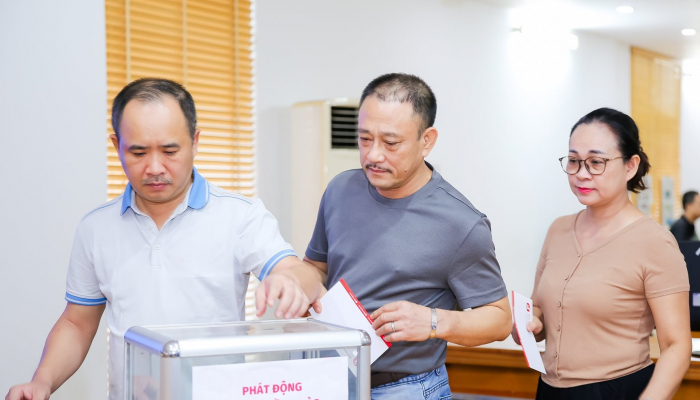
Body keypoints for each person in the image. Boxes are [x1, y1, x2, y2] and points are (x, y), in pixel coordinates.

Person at [5, 78, 323, 400]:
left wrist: (292, 281)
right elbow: (77, 324)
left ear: (195, 142)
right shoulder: (96, 228)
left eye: (170, 151)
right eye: (139, 152)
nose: (154, 168)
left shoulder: (241, 216)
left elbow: (296, 271)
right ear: (117, 146)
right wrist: (42, 382)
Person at [303, 73, 512, 399]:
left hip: (407, 388)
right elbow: (316, 267)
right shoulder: (340, 190)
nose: (373, 155)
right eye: (364, 139)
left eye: (390, 142)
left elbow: (499, 320)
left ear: (426, 140)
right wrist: (296, 284)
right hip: (329, 378)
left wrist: (433, 321)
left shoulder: (461, 223)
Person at [516, 108, 690, 399]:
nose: (581, 174)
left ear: (630, 166)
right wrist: (530, 325)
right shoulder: (557, 230)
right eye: (573, 161)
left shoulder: (655, 242)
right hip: (549, 389)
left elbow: (676, 346)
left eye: (596, 162)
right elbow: (541, 312)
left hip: (616, 389)